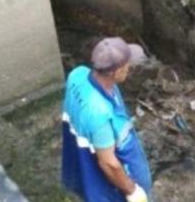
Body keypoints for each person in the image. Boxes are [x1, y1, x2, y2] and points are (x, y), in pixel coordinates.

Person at [61, 37, 152, 202]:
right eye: (127, 66)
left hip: (82, 163)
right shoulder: (99, 114)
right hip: (114, 180)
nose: (130, 68)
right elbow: (108, 163)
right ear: (115, 72)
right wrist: (132, 191)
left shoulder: (78, 74)